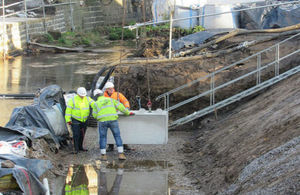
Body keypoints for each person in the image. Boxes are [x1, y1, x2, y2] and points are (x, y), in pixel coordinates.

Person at [92, 89, 134, 161]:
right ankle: (121, 154)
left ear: (95, 96)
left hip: (102, 122)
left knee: (103, 138)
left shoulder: (96, 103)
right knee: (117, 136)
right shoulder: (111, 100)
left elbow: (94, 115)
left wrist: (100, 117)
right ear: (102, 94)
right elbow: (121, 107)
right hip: (113, 120)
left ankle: (103, 156)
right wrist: (127, 113)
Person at [104, 82, 132, 152]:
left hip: (118, 115)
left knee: (121, 130)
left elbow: (125, 101)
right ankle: (110, 146)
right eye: (110, 89)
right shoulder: (103, 97)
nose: (112, 90)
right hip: (108, 116)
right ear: (106, 89)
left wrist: (127, 108)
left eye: (112, 88)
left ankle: (125, 144)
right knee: (110, 131)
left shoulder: (118, 94)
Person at [65, 87, 95, 154]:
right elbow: (68, 111)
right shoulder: (72, 100)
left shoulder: (87, 99)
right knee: (76, 134)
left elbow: (94, 104)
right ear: (78, 94)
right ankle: (76, 149)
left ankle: (80, 147)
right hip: (75, 120)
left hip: (84, 120)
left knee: (82, 134)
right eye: (81, 95)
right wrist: (68, 120)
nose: (82, 96)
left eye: (83, 95)